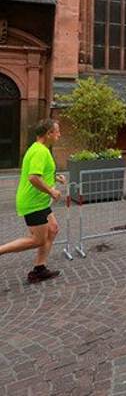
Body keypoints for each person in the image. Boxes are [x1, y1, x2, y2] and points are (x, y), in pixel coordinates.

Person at [0, 119, 64, 283]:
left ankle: (39, 269)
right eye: (57, 131)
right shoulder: (40, 151)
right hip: (33, 202)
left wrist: (55, 177)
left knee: (53, 229)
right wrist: (52, 191)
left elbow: (40, 173)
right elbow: (33, 177)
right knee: (38, 240)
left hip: (40, 202)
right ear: (48, 133)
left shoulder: (39, 149)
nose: (59, 134)